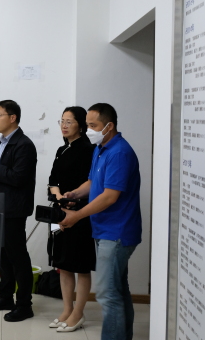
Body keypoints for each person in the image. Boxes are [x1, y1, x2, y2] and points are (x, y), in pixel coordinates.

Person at [60, 103, 142, 340]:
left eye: (93, 126)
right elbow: (92, 183)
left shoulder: (120, 153)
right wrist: (74, 194)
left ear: (109, 126)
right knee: (118, 290)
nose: (89, 131)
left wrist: (77, 216)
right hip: (104, 230)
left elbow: (109, 196)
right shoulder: (101, 148)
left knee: (107, 294)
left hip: (116, 233)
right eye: (87, 125)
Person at [0, 100, 37, 322]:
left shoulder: (24, 145)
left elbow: (18, 177)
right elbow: (0, 176)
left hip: (13, 209)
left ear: (12, 118)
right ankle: (5, 297)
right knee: (2, 256)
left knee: (18, 257)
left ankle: (24, 304)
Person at [47, 106, 96, 332]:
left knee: (81, 265)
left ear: (81, 125)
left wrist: (70, 200)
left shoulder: (89, 149)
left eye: (69, 121)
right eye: (62, 121)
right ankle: (67, 309)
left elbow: (90, 183)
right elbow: (53, 180)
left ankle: (78, 312)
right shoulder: (61, 149)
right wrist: (58, 197)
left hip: (79, 213)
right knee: (63, 263)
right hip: (59, 210)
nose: (64, 126)